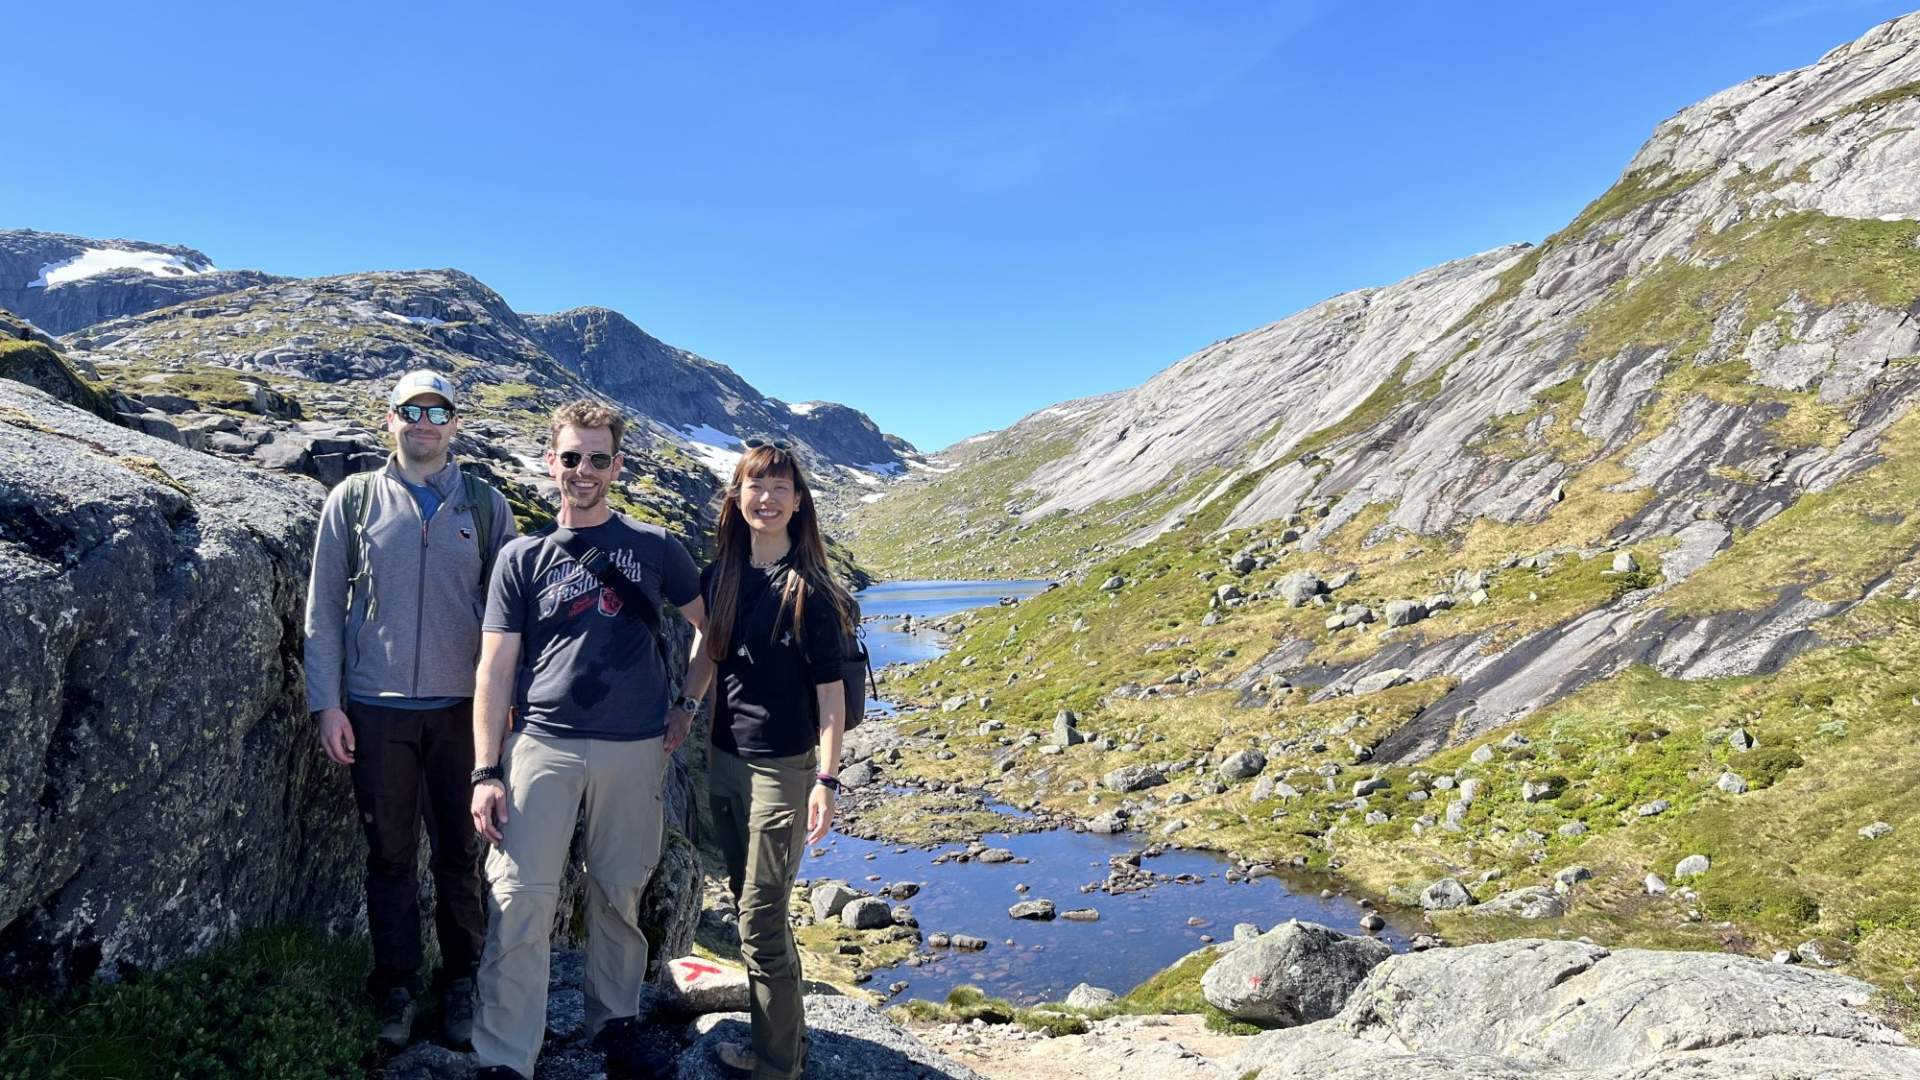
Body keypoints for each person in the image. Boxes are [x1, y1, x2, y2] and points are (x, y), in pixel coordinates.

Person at [468, 399, 705, 1080]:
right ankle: (505, 1056)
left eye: (598, 458)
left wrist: (687, 703)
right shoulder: (522, 558)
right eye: (571, 457)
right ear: (552, 462)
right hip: (541, 744)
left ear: (617, 466)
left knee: (619, 894)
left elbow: (709, 629)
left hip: (635, 749)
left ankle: (614, 1026)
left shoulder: (655, 547)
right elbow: (495, 668)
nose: (584, 470)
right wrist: (486, 770)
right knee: (519, 896)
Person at [304, 369, 515, 1049]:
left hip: (462, 712)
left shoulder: (486, 507)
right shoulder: (354, 498)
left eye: (438, 411)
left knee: (459, 854)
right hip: (375, 708)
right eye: (410, 410)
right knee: (389, 855)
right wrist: (326, 704)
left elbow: (511, 622)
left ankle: (461, 982)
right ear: (388, 419)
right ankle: (394, 985)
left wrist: (508, 707)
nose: (424, 422)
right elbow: (323, 612)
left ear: (456, 424)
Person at [678, 438, 851, 1080]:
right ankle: (785, 1041)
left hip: (784, 770)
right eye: (756, 485)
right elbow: (707, 655)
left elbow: (830, 697)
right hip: (724, 760)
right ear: (738, 495)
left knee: (758, 916)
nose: (768, 497)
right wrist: (683, 710)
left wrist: (826, 779)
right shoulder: (719, 574)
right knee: (750, 902)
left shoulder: (812, 591)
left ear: (799, 502)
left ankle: (777, 1062)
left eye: (781, 487)